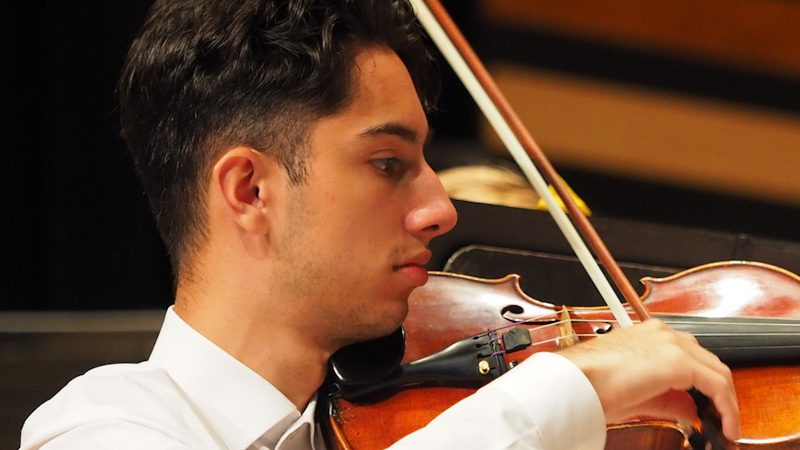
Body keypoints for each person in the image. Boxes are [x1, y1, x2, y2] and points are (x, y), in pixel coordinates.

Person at [21, 0, 740, 449]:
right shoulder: (97, 426)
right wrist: (562, 390)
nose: (441, 210)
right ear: (248, 189)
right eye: (389, 163)